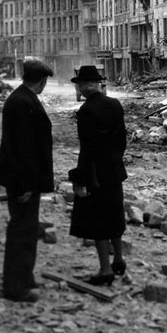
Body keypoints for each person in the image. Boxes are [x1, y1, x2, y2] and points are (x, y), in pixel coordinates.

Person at [0, 59, 54, 303]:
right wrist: (24, 185)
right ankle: (16, 288)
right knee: (21, 232)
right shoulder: (21, 102)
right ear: (43, 81)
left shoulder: (22, 98)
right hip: (23, 182)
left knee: (27, 230)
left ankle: (24, 277)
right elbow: (20, 149)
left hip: (27, 180)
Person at [69, 65, 127, 286]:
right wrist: (115, 160)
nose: (79, 89)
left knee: (98, 221)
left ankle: (105, 270)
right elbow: (122, 140)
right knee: (115, 215)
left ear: (84, 86)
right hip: (114, 170)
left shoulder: (86, 111)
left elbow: (87, 149)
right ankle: (119, 259)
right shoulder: (115, 104)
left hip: (96, 173)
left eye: (79, 85)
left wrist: (80, 179)